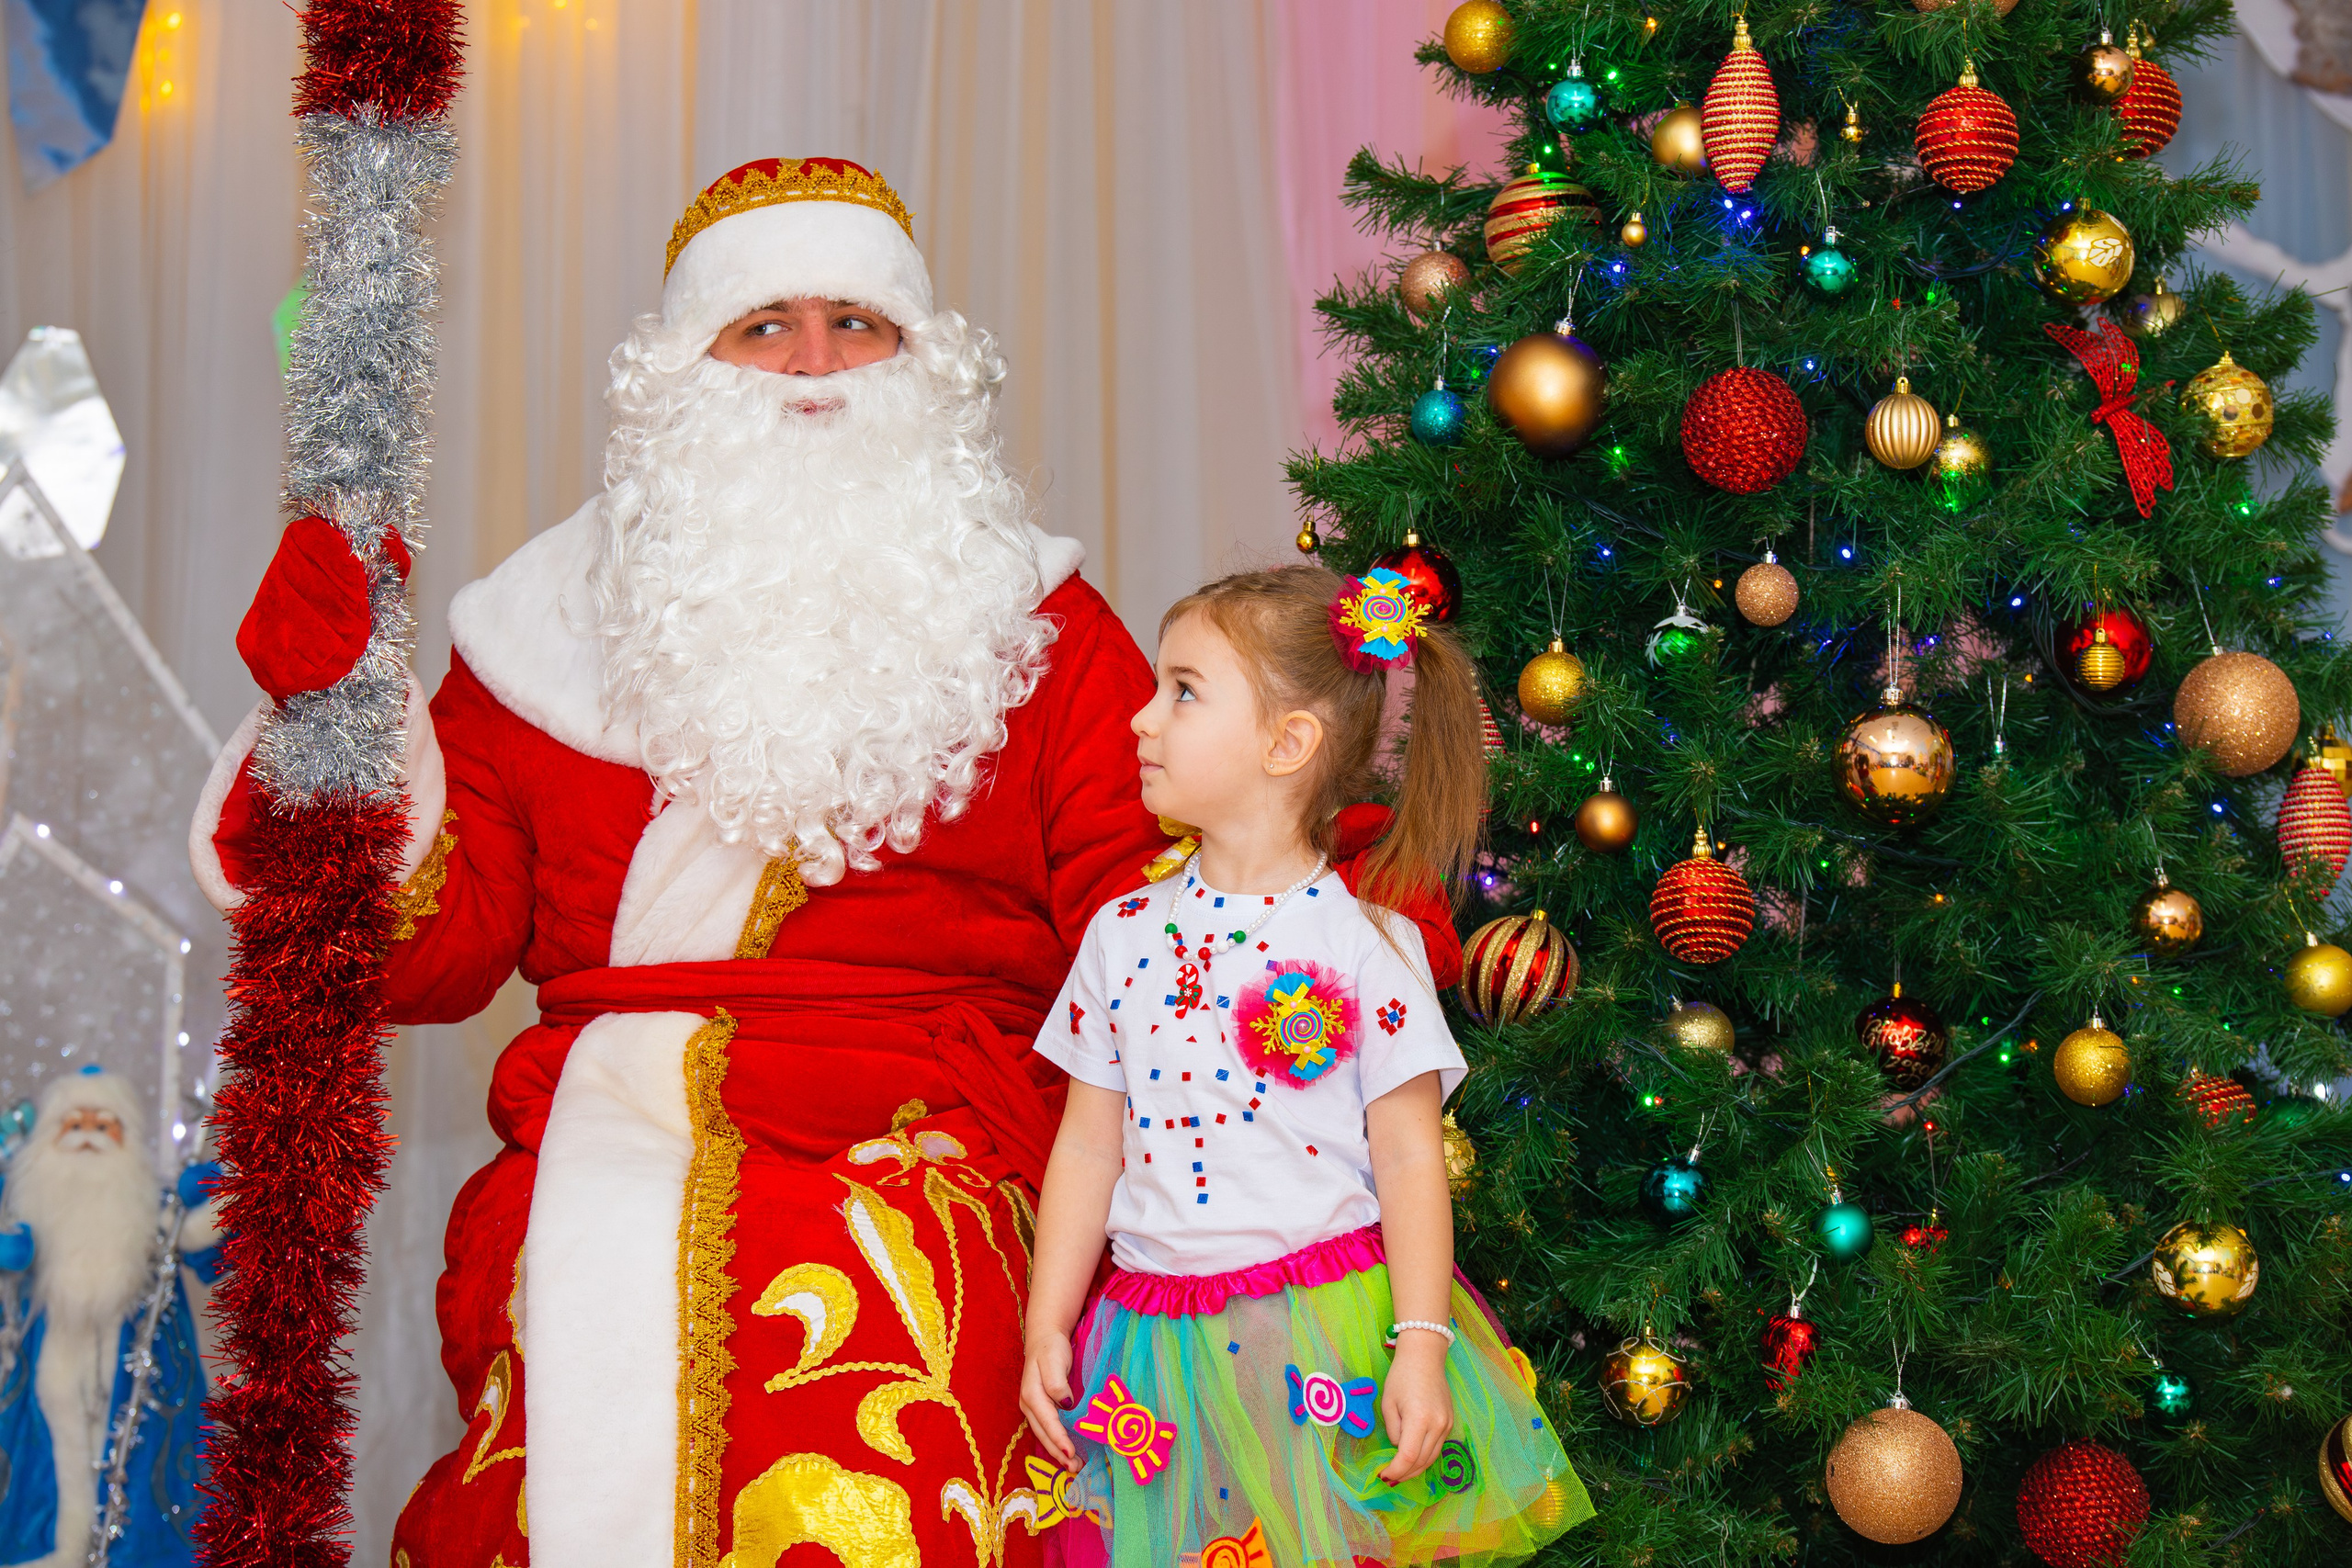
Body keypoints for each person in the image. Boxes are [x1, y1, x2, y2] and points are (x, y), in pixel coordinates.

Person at [191, 159, 1462, 1567]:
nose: (812, 364)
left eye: (857, 323)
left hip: (940, 1122)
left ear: (922, 357)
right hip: (607, 1128)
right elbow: (424, 949)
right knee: (573, 1294)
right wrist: (338, 719)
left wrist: (1340, 946)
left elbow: (1157, 886)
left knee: (899, 1280)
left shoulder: (1036, 617)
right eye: (762, 324)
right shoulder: (534, 634)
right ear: (687, 366)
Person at [1020, 567, 1592, 1568]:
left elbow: (1411, 1162)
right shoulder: (1118, 935)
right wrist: (1047, 1321)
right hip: (1154, 1353)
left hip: (1319, 1337)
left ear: (1287, 745)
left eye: (1183, 691)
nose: (1139, 720)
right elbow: (1086, 1145)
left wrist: (1421, 1340)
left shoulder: (1368, 947)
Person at [0, 1068, 218, 1568]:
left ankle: (118, 1551)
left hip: (133, 1353)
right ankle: (63, 1546)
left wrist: (219, 1201)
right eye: (73, 1124)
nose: (87, 1136)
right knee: (54, 1440)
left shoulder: (145, 1206)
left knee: (129, 1446)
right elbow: (15, 1253)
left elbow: (188, 1234)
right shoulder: (36, 1206)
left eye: (104, 1125)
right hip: (53, 1351)